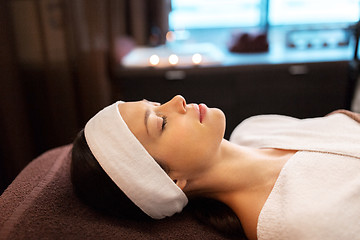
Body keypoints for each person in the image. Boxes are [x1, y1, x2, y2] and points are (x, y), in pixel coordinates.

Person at [71, 95, 360, 240]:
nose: (177, 101)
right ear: (170, 182)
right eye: (161, 122)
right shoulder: (297, 222)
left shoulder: (256, 128)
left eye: (157, 103)